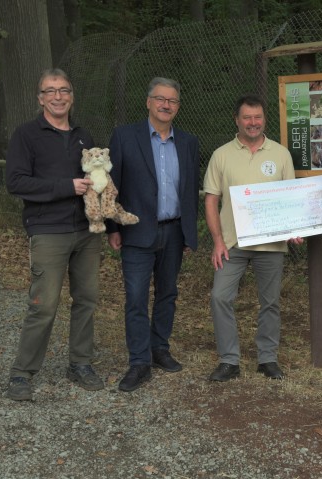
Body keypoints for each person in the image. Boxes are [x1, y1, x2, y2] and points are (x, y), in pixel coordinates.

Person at [5, 68, 104, 401]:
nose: (58, 96)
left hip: (86, 231)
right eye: (50, 91)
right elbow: (16, 182)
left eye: (63, 90)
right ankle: (22, 373)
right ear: (40, 98)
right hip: (48, 230)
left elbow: (94, 177)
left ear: (72, 96)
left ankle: (80, 363)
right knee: (44, 305)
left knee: (87, 300)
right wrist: (67, 187)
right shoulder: (27, 135)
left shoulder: (83, 135)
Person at [107, 77, 199, 392]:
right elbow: (111, 185)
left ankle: (159, 348)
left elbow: (189, 191)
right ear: (148, 102)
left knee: (167, 294)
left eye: (172, 100)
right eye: (160, 98)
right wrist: (113, 227)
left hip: (173, 231)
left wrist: (189, 232)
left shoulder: (188, 142)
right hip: (135, 232)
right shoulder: (124, 136)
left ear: (177, 106)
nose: (165, 105)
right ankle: (139, 362)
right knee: (135, 297)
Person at [203, 94, 303, 382]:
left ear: (264, 120)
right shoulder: (222, 154)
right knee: (220, 297)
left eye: (257, 117)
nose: (253, 122)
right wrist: (218, 241)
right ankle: (229, 360)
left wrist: (294, 228)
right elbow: (211, 200)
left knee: (270, 302)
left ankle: (267, 359)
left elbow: (291, 199)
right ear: (237, 120)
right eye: (247, 117)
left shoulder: (280, 154)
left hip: (271, 243)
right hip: (232, 243)